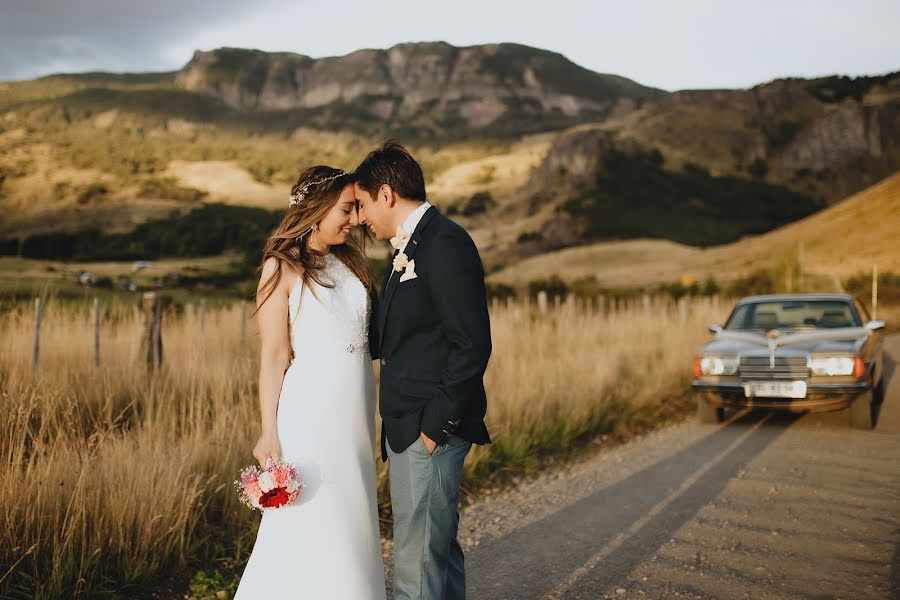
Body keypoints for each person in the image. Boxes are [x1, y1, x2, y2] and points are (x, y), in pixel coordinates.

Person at [234, 166, 387, 599]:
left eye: (356, 208)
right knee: (317, 511)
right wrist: (268, 431)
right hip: (311, 413)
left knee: (353, 512)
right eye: (346, 208)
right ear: (315, 209)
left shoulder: (351, 263)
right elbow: (275, 356)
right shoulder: (279, 268)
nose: (354, 218)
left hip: (355, 411)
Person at [354, 141, 492, 600]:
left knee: (416, 562)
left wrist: (435, 426)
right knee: (435, 551)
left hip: (426, 428)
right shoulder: (411, 247)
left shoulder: (445, 242)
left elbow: (471, 345)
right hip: (409, 425)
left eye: (363, 204)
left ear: (387, 194)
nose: (360, 218)